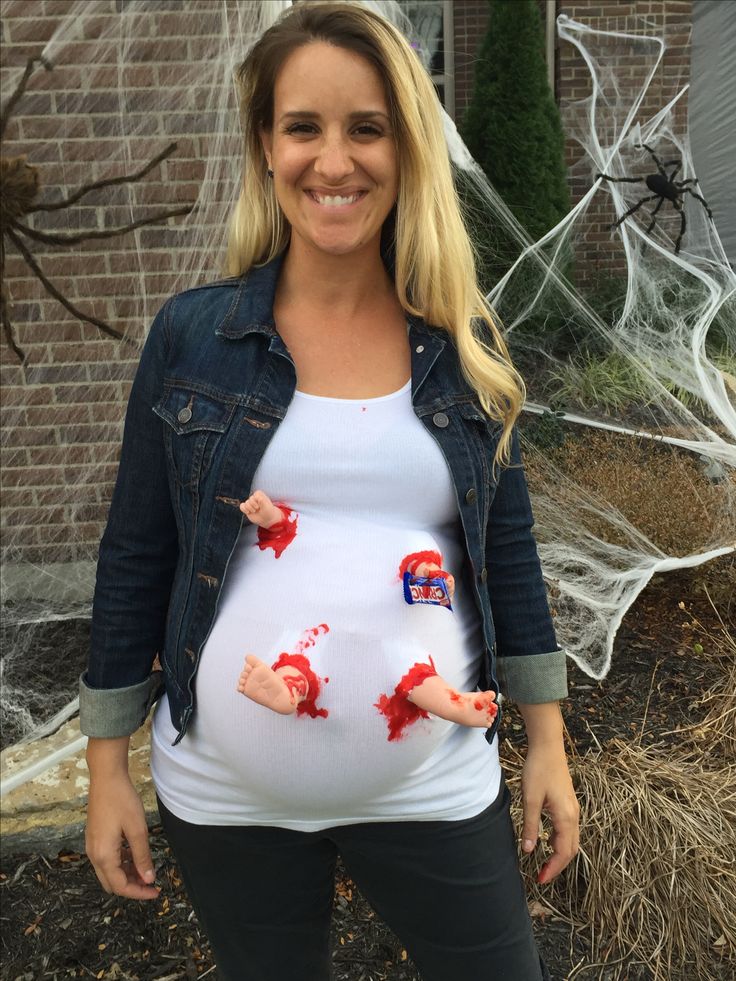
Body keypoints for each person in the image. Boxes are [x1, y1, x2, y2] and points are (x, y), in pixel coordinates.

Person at [80, 4, 579, 980]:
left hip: (432, 788)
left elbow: (507, 553)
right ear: (265, 145)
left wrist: (548, 742)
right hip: (225, 796)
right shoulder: (194, 339)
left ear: (406, 148)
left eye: (367, 127)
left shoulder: (462, 348)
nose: (334, 161)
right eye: (303, 126)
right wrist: (107, 767)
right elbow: (137, 551)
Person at [237, 488, 498, 736]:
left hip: (393, 631)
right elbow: (287, 527)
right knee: (300, 658)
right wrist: (268, 513)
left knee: (416, 674)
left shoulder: (408, 534)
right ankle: (286, 690)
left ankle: (453, 704)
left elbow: (420, 564)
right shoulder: (324, 520)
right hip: (315, 625)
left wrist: (432, 576)